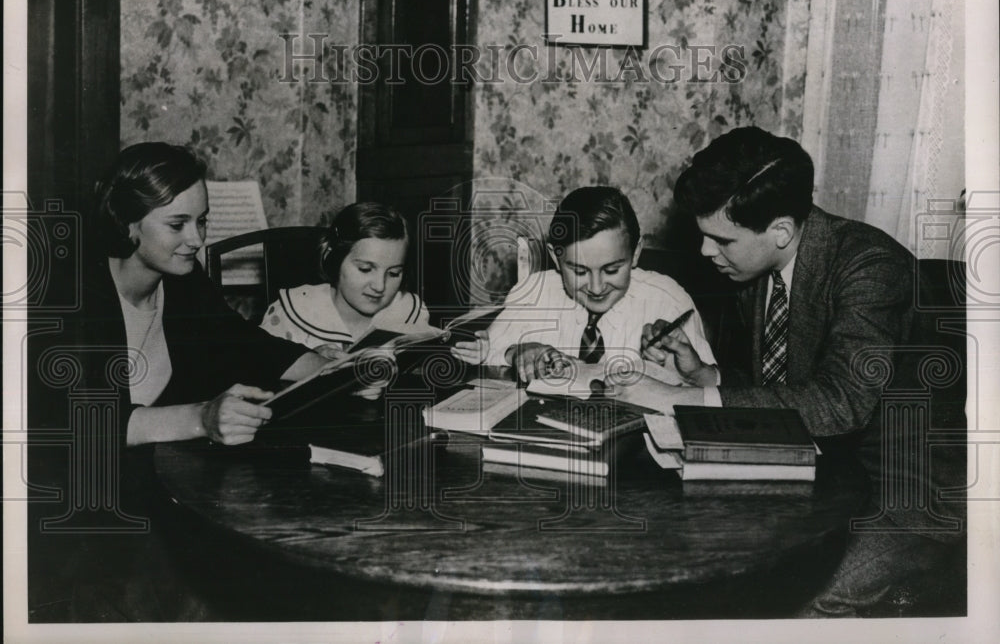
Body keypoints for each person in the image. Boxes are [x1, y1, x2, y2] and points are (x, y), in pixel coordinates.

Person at [644, 126, 962, 617]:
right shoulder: (755, 268)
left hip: (902, 489)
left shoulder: (872, 268)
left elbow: (840, 403)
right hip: (821, 472)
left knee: (807, 601)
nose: (706, 253)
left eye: (720, 239)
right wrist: (709, 378)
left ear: (781, 231)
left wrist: (683, 400)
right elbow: (786, 394)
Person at [28, 142, 331, 621]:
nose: (197, 239)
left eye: (202, 221)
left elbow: (244, 343)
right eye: (177, 224)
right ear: (127, 224)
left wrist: (332, 366)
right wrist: (202, 418)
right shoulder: (68, 295)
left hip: (158, 488)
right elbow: (80, 426)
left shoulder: (185, 282)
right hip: (78, 508)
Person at [484, 185, 717, 387]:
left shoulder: (668, 300)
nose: (596, 288)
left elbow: (712, 387)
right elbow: (483, 352)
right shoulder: (536, 292)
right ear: (556, 259)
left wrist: (693, 374)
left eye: (611, 270)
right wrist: (517, 352)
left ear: (635, 253)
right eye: (579, 271)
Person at [259, 202, 486, 372]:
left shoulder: (408, 311)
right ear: (333, 258)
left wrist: (465, 353)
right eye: (366, 269)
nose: (380, 286)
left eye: (394, 273)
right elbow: (255, 376)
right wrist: (309, 361)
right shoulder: (291, 311)